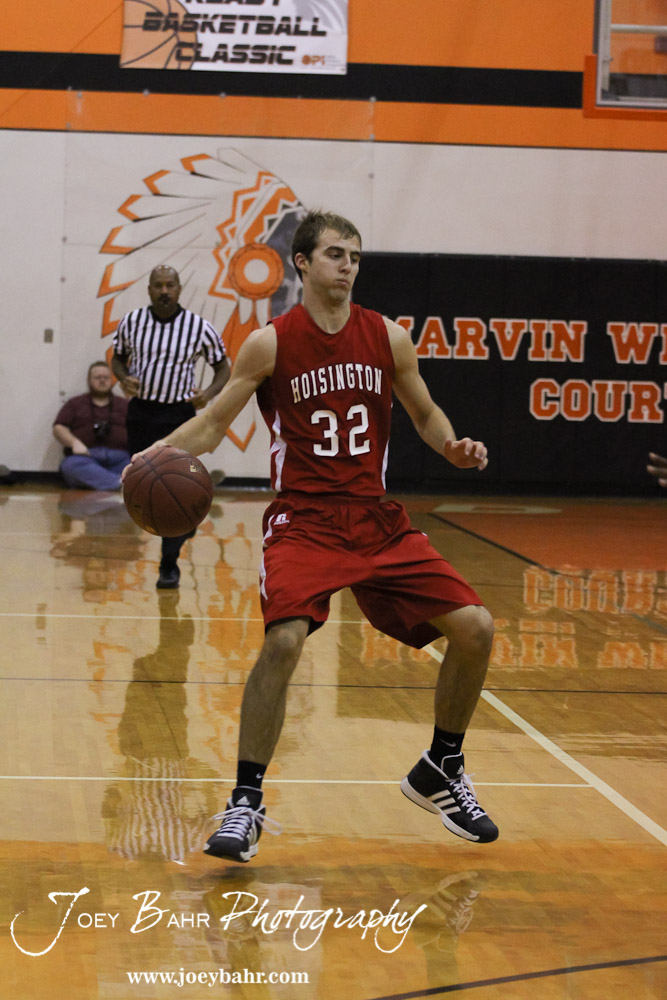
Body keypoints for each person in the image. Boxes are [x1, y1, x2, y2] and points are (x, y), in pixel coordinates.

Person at [124, 210, 498, 861]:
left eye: (354, 255)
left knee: (476, 629)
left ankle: (442, 765)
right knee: (284, 641)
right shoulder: (270, 343)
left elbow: (424, 410)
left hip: (374, 519)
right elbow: (212, 424)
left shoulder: (387, 336)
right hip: (304, 520)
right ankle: (245, 803)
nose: (347, 265)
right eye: (334, 253)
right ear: (301, 262)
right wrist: (155, 455)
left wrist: (451, 445)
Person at [111, 265, 230, 589]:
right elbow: (117, 359)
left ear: (179, 289)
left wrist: (208, 393)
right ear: (149, 289)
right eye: (158, 285)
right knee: (142, 484)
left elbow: (223, 367)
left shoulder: (199, 327)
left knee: (174, 487)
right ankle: (181, 523)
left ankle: (168, 563)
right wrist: (123, 378)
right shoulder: (132, 322)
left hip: (179, 415)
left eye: (170, 285)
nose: (164, 291)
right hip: (141, 412)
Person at [53, 361, 130, 491]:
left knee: (140, 467)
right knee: (69, 466)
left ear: (112, 381)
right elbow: (59, 427)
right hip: (86, 458)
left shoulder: (125, 405)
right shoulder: (75, 404)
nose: (102, 381)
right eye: (97, 377)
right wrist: (74, 442)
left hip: (120, 459)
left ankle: (106, 482)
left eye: (106, 378)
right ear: (89, 380)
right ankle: (119, 484)